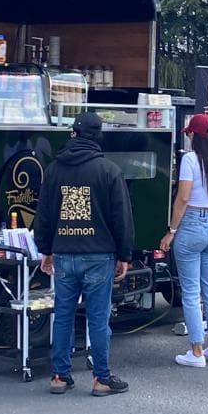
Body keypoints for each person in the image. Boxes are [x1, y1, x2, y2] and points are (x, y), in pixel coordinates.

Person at [35, 112, 134, 396]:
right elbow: (122, 217)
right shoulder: (108, 170)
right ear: (98, 136)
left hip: (64, 252)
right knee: (97, 319)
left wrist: (46, 250)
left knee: (63, 315)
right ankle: (102, 378)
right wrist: (124, 254)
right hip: (99, 255)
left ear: (74, 134)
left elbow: (44, 214)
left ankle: (59, 375)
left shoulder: (54, 169)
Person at [159, 113, 208, 368]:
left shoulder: (189, 159)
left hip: (191, 224)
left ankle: (196, 350)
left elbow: (183, 198)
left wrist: (171, 230)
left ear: (193, 135)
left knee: (190, 291)